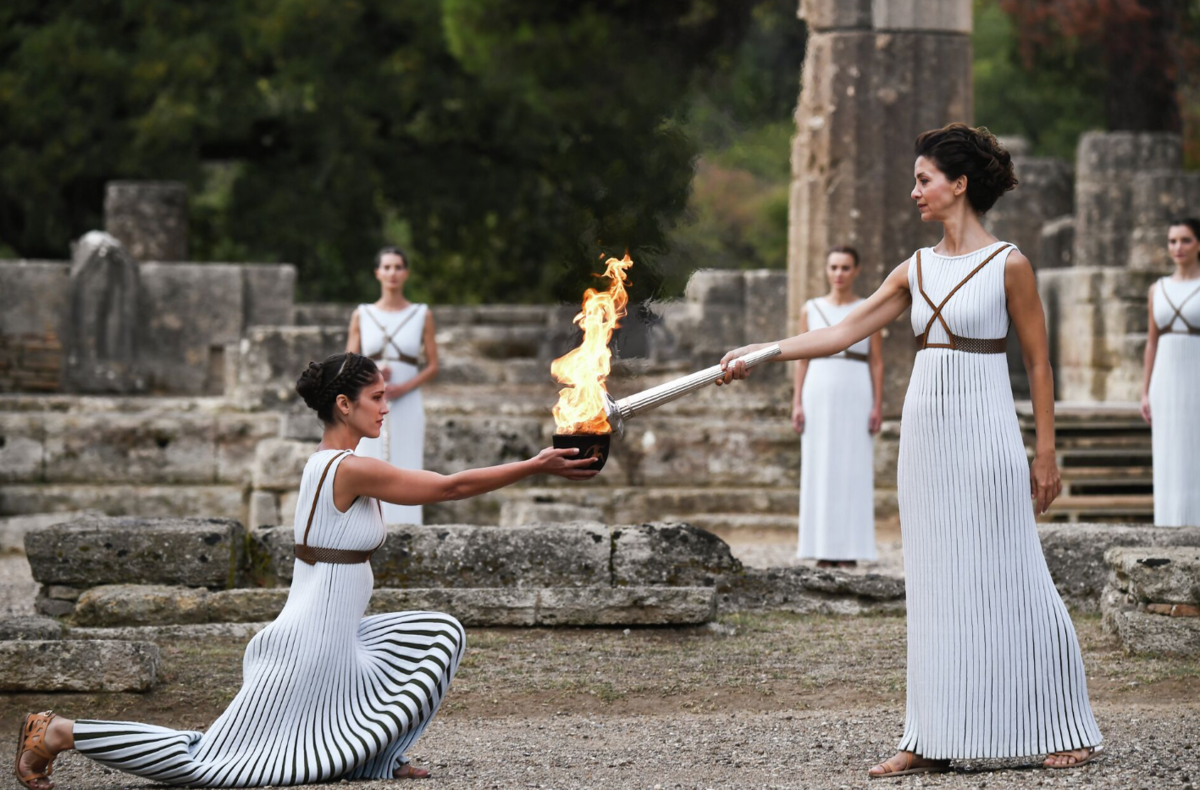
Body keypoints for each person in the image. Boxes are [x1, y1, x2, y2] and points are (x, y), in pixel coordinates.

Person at [15, 352, 597, 790]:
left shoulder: (332, 465)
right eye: (376, 397)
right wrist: (536, 464)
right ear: (344, 405)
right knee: (215, 765)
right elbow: (450, 487)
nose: (386, 406)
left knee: (439, 633)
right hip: (308, 647)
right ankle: (58, 731)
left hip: (334, 640)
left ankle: (374, 758)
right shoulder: (345, 469)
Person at [718, 123, 1103, 776]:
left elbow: (1039, 366)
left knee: (1016, 573)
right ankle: (928, 736)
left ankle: (1064, 723)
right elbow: (842, 331)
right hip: (926, 435)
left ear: (959, 185)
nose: (915, 190)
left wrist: (1045, 454)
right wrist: (766, 352)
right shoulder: (913, 269)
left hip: (987, 430)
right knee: (932, 581)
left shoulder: (1009, 263)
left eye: (924, 179)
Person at [793, 245, 883, 568]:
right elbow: (801, 358)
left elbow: (877, 362)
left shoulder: (867, 308)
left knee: (853, 466)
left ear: (856, 271)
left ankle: (850, 548)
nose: (839, 274)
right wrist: (797, 402)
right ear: (826, 270)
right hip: (819, 389)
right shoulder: (812, 308)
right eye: (834, 267)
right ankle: (821, 547)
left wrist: (877, 405)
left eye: (845, 268)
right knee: (820, 465)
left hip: (856, 389)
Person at [347, 246, 437, 525]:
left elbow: (433, 365)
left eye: (398, 267)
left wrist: (405, 386)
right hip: (369, 401)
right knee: (368, 462)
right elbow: (347, 363)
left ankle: (408, 528)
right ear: (377, 273)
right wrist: (371, 371)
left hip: (407, 400)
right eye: (386, 267)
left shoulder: (422, 314)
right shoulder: (362, 314)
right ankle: (366, 528)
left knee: (407, 463)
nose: (392, 273)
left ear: (406, 272)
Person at [1140, 217, 1200, 527]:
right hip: (1165, 379)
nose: (1178, 247)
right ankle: (1168, 524)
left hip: (1196, 377)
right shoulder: (1157, 289)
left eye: (1185, 240)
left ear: (1198, 244)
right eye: (1173, 241)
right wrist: (1145, 391)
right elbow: (1152, 343)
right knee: (1169, 452)